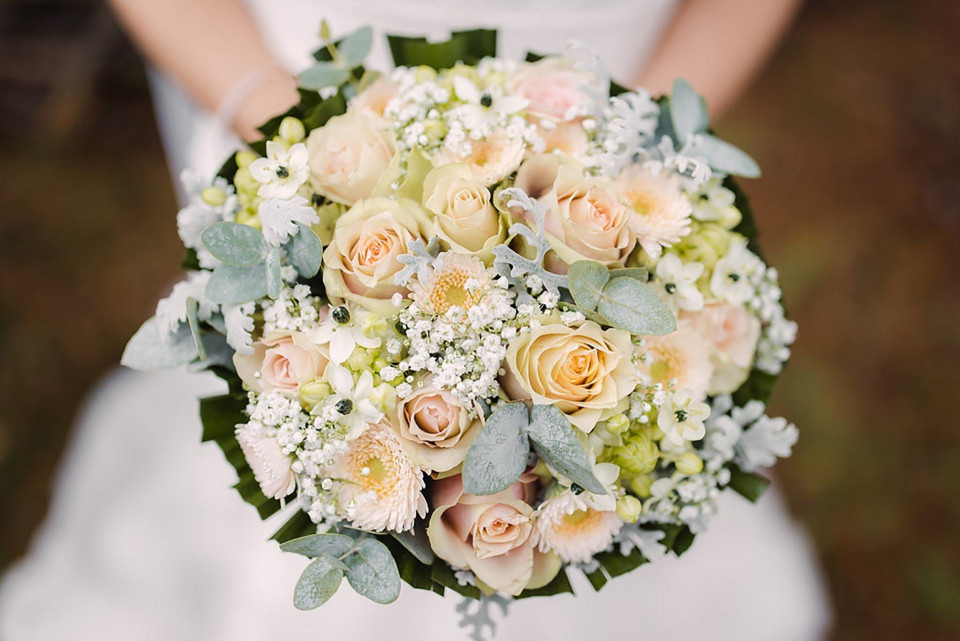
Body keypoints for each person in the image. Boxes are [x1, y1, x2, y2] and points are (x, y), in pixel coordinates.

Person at [0, 1, 833, 639]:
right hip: (295, 64)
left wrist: (627, 131)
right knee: (290, 381)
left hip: (611, 62)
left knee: (607, 465)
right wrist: (294, 126)